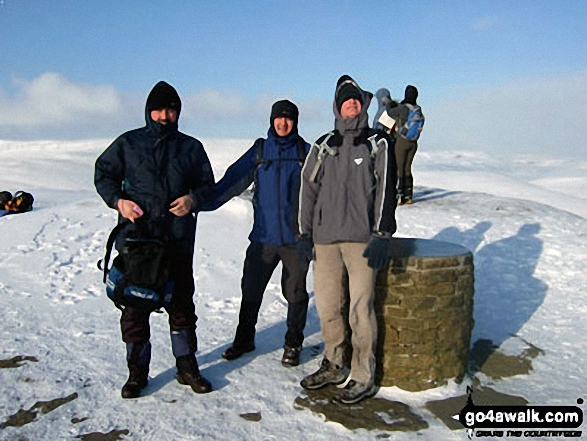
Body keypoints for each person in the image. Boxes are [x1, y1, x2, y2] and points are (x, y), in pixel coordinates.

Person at [94, 81, 215, 399]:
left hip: (176, 241)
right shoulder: (128, 143)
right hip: (138, 241)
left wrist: (192, 200)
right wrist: (118, 202)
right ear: (149, 112)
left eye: (171, 109)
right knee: (134, 308)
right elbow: (103, 173)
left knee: (181, 306)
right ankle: (137, 374)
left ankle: (186, 367)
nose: (165, 115)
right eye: (159, 109)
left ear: (178, 112)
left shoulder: (190, 148)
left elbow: (207, 185)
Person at [297, 75, 397, 404]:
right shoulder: (324, 145)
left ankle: (363, 374)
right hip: (325, 243)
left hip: (361, 241)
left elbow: (386, 189)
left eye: (355, 99)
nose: (351, 103)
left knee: (360, 309)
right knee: (327, 307)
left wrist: (382, 233)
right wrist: (304, 234)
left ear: (362, 104)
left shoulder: (376, 143)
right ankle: (334, 363)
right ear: (337, 107)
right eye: (345, 100)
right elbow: (307, 191)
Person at [195, 100, 310, 367]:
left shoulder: (306, 153)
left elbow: (324, 194)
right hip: (262, 238)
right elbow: (232, 181)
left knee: (296, 294)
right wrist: (200, 203)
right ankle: (244, 339)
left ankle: (293, 343)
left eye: (288, 119)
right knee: (251, 290)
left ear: (295, 122)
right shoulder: (260, 150)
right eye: (278, 119)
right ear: (271, 121)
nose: (283, 123)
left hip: (295, 240)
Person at [385, 85, 424, 205]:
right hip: (413, 143)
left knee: (399, 168)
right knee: (408, 168)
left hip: (402, 141)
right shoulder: (417, 109)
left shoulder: (403, 108)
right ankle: (408, 196)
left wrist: (389, 103)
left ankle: (399, 196)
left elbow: (390, 113)